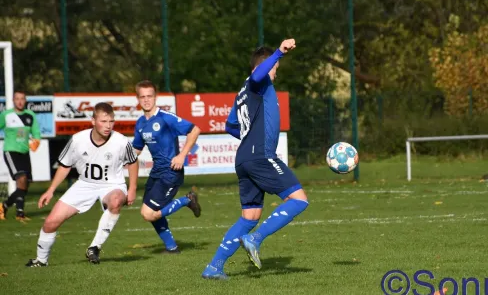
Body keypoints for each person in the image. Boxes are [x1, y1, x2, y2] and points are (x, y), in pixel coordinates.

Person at [202, 39, 309, 280]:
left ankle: (214, 266)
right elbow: (259, 74)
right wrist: (279, 52)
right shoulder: (258, 82)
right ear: (264, 66)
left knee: (249, 216)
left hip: (244, 158)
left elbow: (230, 126)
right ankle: (256, 239)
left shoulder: (242, 93)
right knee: (299, 200)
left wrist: (248, 136)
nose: (275, 74)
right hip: (260, 155)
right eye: (275, 69)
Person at [25, 103, 139, 267]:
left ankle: (94, 247)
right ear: (93, 121)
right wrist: (50, 190)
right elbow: (65, 166)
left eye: (111, 121)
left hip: (112, 184)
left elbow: (133, 162)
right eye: (103, 121)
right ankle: (41, 261)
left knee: (115, 201)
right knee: (50, 222)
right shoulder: (78, 139)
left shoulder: (121, 141)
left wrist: (132, 188)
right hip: (85, 184)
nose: (108, 126)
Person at [132, 80, 202, 253]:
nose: (146, 100)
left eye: (149, 96)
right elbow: (136, 150)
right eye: (142, 97)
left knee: (148, 213)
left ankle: (187, 200)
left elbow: (195, 130)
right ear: (138, 99)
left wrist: (182, 155)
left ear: (155, 97)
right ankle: (172, 247)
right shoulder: (140, 123)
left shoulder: (165, 117)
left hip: (171, 171)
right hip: (156, 172)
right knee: (151, 210)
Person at [0, 90, 41, 221]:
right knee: (21, 178)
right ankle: (20, 213)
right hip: (11, 151)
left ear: (25, 100)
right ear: (13, 100)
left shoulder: (30, 115)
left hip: (25, 152)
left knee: (25, 183)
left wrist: (36, 141)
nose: (20, 101)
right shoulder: (6, 115)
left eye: (22, 98)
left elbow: (36, 132)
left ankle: (4, 206)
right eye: (17, 98)